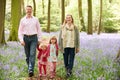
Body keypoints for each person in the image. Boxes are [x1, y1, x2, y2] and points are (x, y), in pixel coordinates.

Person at [18, 5, 41, 77]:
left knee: (32, 54)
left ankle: (31, 69)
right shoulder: (22, 20)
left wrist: (39, 39)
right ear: (25, 10)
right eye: (27, 9)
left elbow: (39, 30)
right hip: (25, 38)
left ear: (32, 10)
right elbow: (20, 31)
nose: (29, 11)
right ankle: (29, 68)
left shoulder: (36, 19)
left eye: (30, 9)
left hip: (34, 38)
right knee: (27, 55)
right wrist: (21, 40)